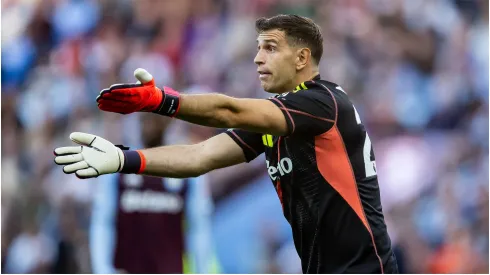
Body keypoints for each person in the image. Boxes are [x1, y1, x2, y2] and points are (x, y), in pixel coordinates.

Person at [54, 14, 398, 273]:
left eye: (270, 48)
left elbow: (228, 109)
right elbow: (199, 156)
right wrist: (123, 160)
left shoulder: (323, 103)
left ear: (302, 58)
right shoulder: (275, 122)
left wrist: (162, 101)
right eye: (258, 48)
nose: (257, 59)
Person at [89, 114, 217, 274]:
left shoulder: (187, 167)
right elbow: (103, 222)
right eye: (145, 116)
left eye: (156, 115)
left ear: (168, 120)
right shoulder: (117, 166)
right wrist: (103, 270)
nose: (149, 122)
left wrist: (202, 270)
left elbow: (199, 227)